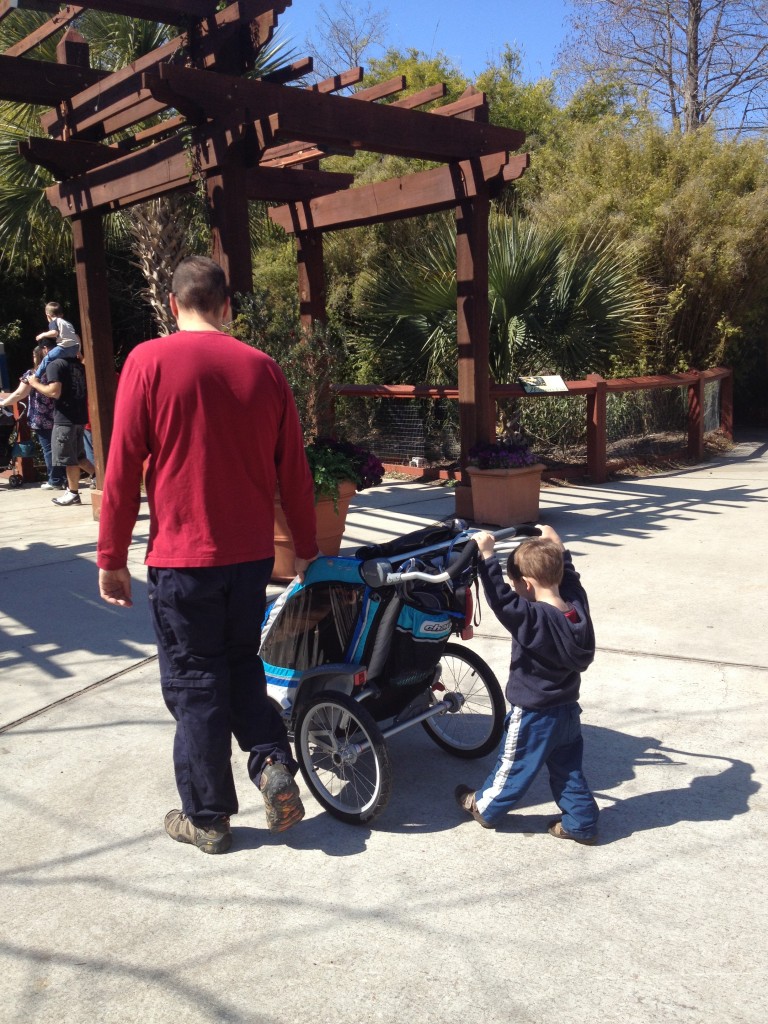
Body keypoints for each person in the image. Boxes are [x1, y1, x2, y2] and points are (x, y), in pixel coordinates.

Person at [96, 255, 319, 855]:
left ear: (173, 306)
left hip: (181, 560)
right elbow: (294, 474)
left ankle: (209, 818)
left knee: (196, 683)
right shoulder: (264, 369)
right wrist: (306, 551)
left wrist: (111, 555)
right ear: (227, 308)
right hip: (250, 559)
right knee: (241, 663)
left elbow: (120, 468)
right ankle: (272, 761)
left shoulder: (147, 362)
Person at [455, 524, 600, 844]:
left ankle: (484, 806)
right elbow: (571, 580)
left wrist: (487, 556)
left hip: (534, 714)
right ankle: (582, 821)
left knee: (513, 767)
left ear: (528, 585)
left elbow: (502, 601)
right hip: (566, 710)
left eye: (515, 583)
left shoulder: (534, 619)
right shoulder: (577, 610)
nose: (512, 588)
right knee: (568, 769)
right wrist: (560, 549)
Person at [25, 337, 95, 505]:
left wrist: (34, 383)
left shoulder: (55, 365)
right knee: (79, 456)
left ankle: (73, 493)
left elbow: (54, 391)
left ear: (45, 350)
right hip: (80, 416)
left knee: (68, 458)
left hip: (65, 418)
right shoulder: (78, 365)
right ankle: (100, 476)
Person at [0, 342, 66, 489]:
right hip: (61, 415)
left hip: (41, 417)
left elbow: (19, 393)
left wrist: (3, 403)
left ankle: (55, 480)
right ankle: (65, 478)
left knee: (49, 448)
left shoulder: (32, 375)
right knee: (63, 448)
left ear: (37, 356)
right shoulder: (58, 371)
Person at [34, 302, 81, 378]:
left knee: (47, 358)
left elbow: (54, 333)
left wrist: (42, 335)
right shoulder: (68, 323)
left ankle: (36, 376)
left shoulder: (54, 322)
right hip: (75, 348)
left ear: (48, 315)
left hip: (65, 347)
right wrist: (78, 353)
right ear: (61, 314)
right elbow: (74, 337)